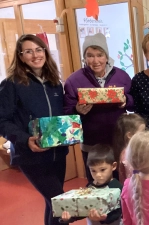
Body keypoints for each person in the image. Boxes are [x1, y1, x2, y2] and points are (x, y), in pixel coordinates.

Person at [0, 34, 68, 225]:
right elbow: (2, 120)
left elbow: (61, 116)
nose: (35, 55)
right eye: (28, 51)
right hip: (31, 157)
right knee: (63, 206)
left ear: (45, 52)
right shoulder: (12, 84)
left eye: (39, 50)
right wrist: (24, 139)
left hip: (57, 154)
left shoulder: (55, 83)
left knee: (53, 205)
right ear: (21, 57)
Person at [64, 33, 133, 183]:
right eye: (90, 55)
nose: (95, 61)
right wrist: (77, 110)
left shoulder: (122, 76)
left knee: (122, 184)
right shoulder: (74, 80)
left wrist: (125, 101)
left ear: (106, 56)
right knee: (96, 183)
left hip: (118, 141)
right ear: (84, 58)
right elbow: (66, 112)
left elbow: (134, 102)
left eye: (100, 55)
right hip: (91, 143)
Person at [60, 144, 123, 225]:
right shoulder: (90, 187)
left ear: (113, 166)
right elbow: (83, 209)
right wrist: (70, 217)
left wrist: (104, 218)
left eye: (102, 170)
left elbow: (120, 211)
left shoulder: (117, 187)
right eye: (93, 170)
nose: (98, 175)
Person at [113, 113, 146, 182]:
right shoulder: (127, 156)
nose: (144, 135)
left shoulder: (133, 150)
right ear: (129, 135)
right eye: (142, 132)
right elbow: (133, 179)